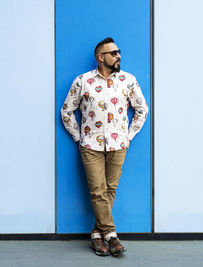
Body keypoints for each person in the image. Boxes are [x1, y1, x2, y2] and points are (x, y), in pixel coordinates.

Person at [61, 37, 149, 257]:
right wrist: (78, 136)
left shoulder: (128, 80)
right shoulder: (83, 81)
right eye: (113, 53)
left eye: (119, 52)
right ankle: (111, 235)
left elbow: (142, 109)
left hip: (119, 144)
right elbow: (66, 111)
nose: (118, 55)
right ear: (100, 57)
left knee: (109, 191)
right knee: (97, 191)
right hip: (90, 145)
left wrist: (128, 136)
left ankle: (96, 235)